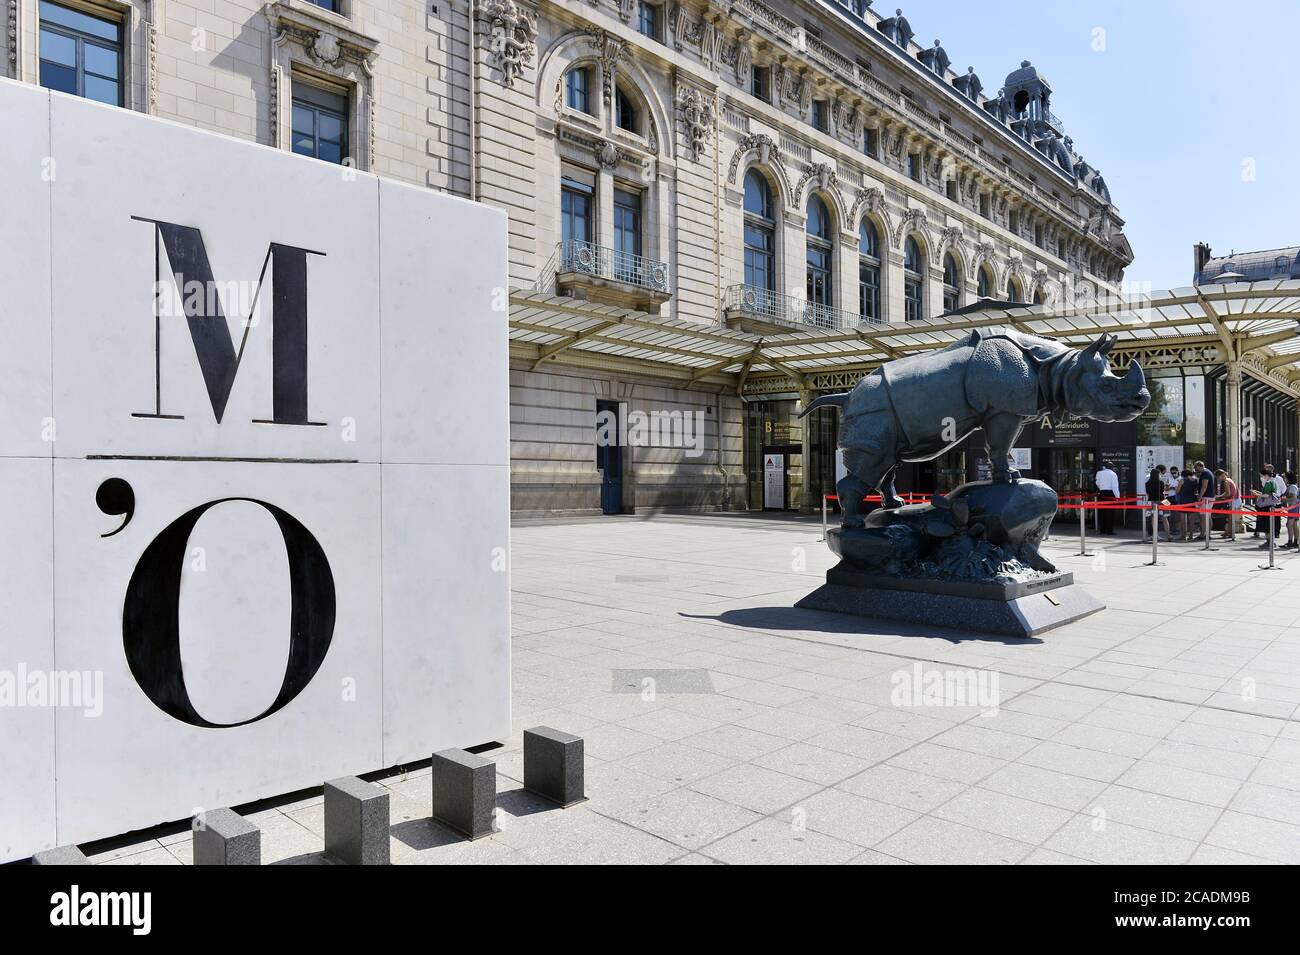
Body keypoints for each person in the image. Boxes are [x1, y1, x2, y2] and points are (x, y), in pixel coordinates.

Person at [1255, 464, 1282, 546]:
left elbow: (1267, 495)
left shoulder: (1269, 483)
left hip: (1266, 506)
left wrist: (1258, 495)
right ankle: (1269, 541)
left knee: (1267, 525)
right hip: (1270, 505)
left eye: (1262, 476)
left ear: (1266, 475)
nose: (1261, 477)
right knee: (1269, 525)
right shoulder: (1273, 482)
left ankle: (1269, 542)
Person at [1143, 464, 1170, 542]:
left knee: (1153, 518)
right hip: (1162, 500)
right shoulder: (1161, 482)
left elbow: (1148, 493)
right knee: (1165, 518)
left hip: (1152, 501)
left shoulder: (1147, 483)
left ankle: (1155, 536)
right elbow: (1163, 492)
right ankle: (1168, 535)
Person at [1191, 461, 1216, 542]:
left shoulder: (1205, 474)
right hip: (1210, 497)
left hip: (1206, 498)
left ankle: (1203, 534)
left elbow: (1204, 487)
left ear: (1199, 466)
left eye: (1195, 467)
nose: (1195, 469)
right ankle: (1208, 534)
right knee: (1208, 516)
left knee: (1203, 516)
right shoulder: (1208, 472)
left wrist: (1199, 497)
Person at [1174, 464, 1198, 541]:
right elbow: (1196, 490)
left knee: (1183, 520)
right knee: (1191, 520)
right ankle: (1191, 535)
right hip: (1192, 501)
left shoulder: (1182, 480)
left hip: (1183, 501)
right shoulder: (1195, 481)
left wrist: (1177, 487)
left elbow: (1177, 491)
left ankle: (1183, 535)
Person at [1095, 460, 1120, 535]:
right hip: (1110, 494)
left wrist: (1102, 488)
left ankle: (1102, 529)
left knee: (1102, 512)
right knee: (1110, 513)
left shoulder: (1099, 473)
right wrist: (1117, 497)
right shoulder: (1113, 474)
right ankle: (1109, 530)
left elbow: (1097, 483)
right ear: (1112, 467)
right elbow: (1115, 487)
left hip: (1102, 493)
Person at [1214, 468, 1238, 542]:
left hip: (1232, 500)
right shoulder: (1229, 479)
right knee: (1230, 517)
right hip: (1235, 499)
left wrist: (1219, 497)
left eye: (1218, 477)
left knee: (1230, 517)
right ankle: (1229, 532)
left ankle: (1230, 532)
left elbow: (1228, 493)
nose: (1218, 479)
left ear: (1220, 476)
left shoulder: (1226, 482)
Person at [1285, 472, 1299, 550]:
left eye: (1286, 478)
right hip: (1293, 507)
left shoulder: (1292, 487)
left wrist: (1286, 499)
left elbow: (1293, 496)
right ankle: (1295, 541)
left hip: (1293, 507)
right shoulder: (1292, 486)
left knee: (1289, 524)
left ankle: (1291, 541)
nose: (1285, 479)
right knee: (1293, 525)